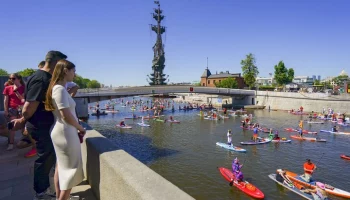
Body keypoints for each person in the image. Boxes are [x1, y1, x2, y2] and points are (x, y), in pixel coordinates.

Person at [11, 50, 67, 199]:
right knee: (45, 158)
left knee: (49, 158)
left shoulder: (41, 76)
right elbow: (29, 106)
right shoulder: (42, 79)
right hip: (40, 126)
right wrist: (23, 121)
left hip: (44, 125)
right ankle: (41, 192)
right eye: (62, 64)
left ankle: (49, 190)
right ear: (55, 62)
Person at [45, 59, 84, 200]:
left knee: (61, 168)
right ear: (66, 71)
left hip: (62, 131)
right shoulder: (60, 89)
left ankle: (59, 197)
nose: (75, 74)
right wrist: (81, 128)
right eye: (73, 71)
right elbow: (66, 115)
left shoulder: (58, 88)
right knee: (71, 171)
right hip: (66, 132)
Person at [3, 73, 25, 150]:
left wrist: (16, 91)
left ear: (19, 79)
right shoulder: (8, 88)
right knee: (12, 126)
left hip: (22, 108)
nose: (11, 80)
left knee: (23, 125)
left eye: (13, 78)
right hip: (12, 108)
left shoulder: (24, 87)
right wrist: (5, 110)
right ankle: (11, 143)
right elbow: (6, 100)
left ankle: (24, 142)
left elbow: (23, 99)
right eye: (10, 78)